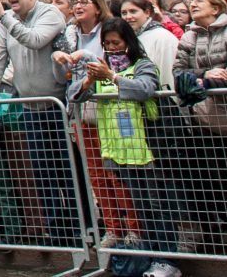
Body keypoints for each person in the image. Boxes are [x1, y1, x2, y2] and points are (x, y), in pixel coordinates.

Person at [70, 19, 175, 277]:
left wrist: (113, 77)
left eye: (116, 43)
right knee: (140, 208)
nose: (112, 48)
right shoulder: (101, 69)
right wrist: (87, 82)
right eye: (107, 44)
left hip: (146, 149)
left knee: (158, 206)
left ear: (129, 42)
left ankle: (168, 260)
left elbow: (145, 89)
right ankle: (148, 257)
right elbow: (72, 95)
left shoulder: (143, 65)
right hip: (118, 151)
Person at [0, 0, 74, 246]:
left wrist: (5, 19)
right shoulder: (5, 21)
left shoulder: (50, 13)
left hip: (58, 106)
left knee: (68, 171)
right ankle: (56, 233)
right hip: (31, 108)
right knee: (43, 173)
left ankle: (82, 227)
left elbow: (35, 40)